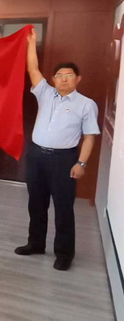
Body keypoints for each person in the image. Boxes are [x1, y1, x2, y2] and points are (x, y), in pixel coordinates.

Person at [15, 29, 99, 271]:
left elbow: (89, 137)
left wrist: (81, 163)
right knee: (36, 203)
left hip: (64, 160)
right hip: (37, 156)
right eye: (59, 76)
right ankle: (35, 244)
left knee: (63, 207)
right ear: (52, 79)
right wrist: (32, 43)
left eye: (68, 75)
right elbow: (32, 68)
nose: (63, 79)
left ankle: (64, 253)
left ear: (78, 79)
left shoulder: (86, 105)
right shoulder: (45, 94)